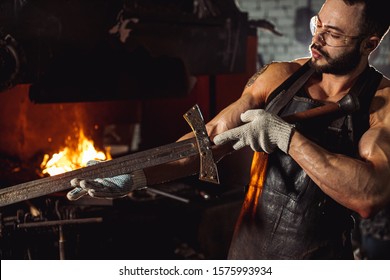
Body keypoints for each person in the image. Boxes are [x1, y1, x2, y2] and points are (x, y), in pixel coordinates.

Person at [66, 0, 390, 259]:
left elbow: (369, 195)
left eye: (333, 34)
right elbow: (209, 140)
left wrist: (287, 138)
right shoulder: (279, 77)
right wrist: (135, 173)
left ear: (369, 44)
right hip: (247, 255)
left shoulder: (382, 103)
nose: (316, 39)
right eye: (317, 24)